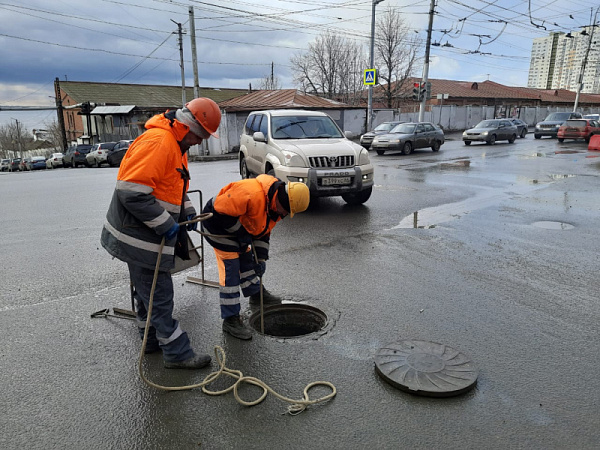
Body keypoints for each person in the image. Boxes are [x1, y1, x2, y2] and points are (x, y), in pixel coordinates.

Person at [101, 97, 221, 369]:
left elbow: (172, 187)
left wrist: (187, 211)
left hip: (142, 234)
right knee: (159, 295)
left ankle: (150, 339)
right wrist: (166, 225)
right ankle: (177, 354)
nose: (201, 141)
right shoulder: (160, 142)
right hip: (137, 236)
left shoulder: (176, 144)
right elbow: (131, 192)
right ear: (187, 125)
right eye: (200, 135)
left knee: (147, 292)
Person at [201, 175, 310, 340]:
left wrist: (261, 259)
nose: (285, 214)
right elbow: (219, 213)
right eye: (286, 210)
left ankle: (256, 294)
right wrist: (242, 235)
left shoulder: (275, 207)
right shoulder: (251, 193)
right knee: (231, 268)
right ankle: (230, 320)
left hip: (238, 228)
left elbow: (263, 233)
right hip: (216, 226)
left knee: (249, 260)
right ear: (282, 200)